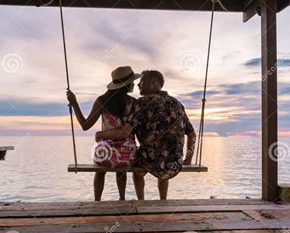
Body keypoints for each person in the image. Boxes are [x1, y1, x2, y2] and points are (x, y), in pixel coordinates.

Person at [95, 70, 196, 200]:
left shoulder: (142, 103)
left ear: (153, 83)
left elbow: (125, 132)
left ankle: (141, 201)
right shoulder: (177, 103)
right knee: (164, 164)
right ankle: (163, 200)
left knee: (137, 170)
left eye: (142, 82)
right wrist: (188, 159)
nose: (138, 85)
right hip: (174, 163)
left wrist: (101, 135)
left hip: (150, 159)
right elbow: (192, 134)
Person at [67, 66, 141, 201]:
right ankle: (122, 199)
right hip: (126, 155)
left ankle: (97, 201)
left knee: (100, 170)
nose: (134, 84)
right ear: (127, 84)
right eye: (132, 81)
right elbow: (129, 131)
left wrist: (74, 103)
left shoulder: (102, 101)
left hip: (105, 154)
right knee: (121, 168)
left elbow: (85, 126)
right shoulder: (134, 103)